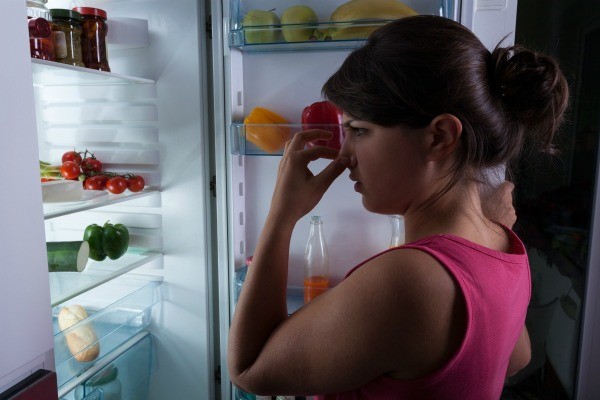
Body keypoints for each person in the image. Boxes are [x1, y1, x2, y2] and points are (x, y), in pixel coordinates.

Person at [227, 15, 569, 400]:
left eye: (359, 130)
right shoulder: (504, 245)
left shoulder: (408, 280)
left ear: (439, 137)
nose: (344, 155)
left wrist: (282, 215)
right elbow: (516, 357)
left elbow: (249, 368)